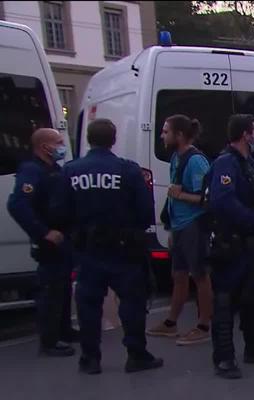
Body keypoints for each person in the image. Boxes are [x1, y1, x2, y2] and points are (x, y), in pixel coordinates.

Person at [62, 119, 163, 375]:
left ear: (89, 138)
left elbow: (61, 211)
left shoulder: (71, 170)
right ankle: (136, 354)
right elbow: (144, 211)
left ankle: (90, 358)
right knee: (132, 303)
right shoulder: (128, 171)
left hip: (88, 249)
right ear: (113, 139)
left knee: (88, 305)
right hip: (124, 248)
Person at [207, 114, 254, 379]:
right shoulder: (226, 163)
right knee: (226, 302)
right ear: (245, 135)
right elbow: (223, 201)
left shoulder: (247, 163)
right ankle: (224, 357)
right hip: (232, 244)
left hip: (251, 244)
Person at [6, 128, 76, 356]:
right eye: (58, 142)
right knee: (51, 290)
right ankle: (49, 341)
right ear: (45, 147)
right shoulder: (32, 170)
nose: (61, 145)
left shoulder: (53, 169)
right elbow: (17, 205)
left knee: (63, 286)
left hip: (63, 240)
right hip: (49, 241)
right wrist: (42, 232)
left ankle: (64, 330)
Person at [148, 115, 213, 345]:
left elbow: (206, 198)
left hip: (194, 225)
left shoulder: (196, 161)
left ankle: (204, 324)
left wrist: (181, 195)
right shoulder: (176, 157)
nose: (162, 135)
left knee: (200, 276)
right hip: (179, 226)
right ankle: (171, 323)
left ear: (180, 135)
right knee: (178, 275)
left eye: (166, 131)